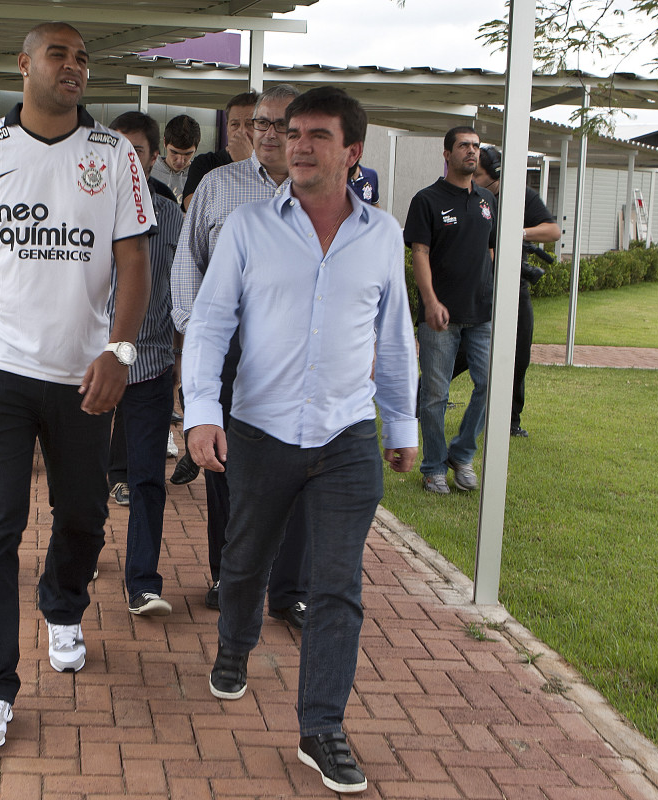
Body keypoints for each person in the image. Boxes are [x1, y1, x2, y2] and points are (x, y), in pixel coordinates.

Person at [0, 22, 153, 750]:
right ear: (23, 64)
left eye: (83, 57)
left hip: (82, 371)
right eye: (59, 54)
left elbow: (135, 261)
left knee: (83, 513)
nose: (74, 66)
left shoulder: (114, 155)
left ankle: (63, 605)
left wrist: (119, 350)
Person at [184, 86, 417, 795]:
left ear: (352, 152)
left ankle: (322, 728)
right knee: (246, 559)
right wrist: (200, 411)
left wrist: (401, 424)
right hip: (261, 429)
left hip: (346, 434)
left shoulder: (381, 235)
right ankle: (234, 645)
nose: (299, 144)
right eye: (292, 133)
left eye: (318, 134)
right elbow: (211, 321)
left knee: (336, 585)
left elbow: (394, 335)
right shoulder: (250, 229)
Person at [171, 84, 309, 626]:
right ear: (247, 129)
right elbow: (188, 268)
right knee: (223, 466)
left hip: (296, 357)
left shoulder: (321, 193)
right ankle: (228, 574)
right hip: (228, 353)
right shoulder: (217, 187)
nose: (270, 134)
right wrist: (198, 345)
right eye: (261, 124)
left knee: (300, 467)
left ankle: (289, 587)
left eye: (283, 124)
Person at [105, 110, 186, 617]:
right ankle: (82, 557)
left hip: (152, 363)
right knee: (85, 475)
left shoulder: (172, 216)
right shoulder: (88, 208)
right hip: (88, 364)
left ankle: (143, 583)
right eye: (120, 149)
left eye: (138, 151)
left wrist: (181, 358)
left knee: (148, 479)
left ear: (154, 158)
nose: (129, 159)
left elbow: (184, 289)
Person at [404, 126, 496, 495]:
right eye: (464, 146)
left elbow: (490, 249)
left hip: (482, 314)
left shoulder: (488, 200)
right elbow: (419, 254)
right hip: (440, 316)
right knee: (435, 395)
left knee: (490, 385)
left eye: (475, 147)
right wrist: (430, 302)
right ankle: (433, 467)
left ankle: (462, 454)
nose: (471, 152)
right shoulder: (427, 199)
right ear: (447, 154)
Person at [472, 144, 562, 437]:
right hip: (479, 284)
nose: (475, 179)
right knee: (464, 351)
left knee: (519, 355)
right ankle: (424, 399)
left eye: (480, 174)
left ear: (494, 174)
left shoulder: (521, 196)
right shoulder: (473, 198)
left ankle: (510, 420)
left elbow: (552, 230)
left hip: (514, 283)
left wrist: (519, 232)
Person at [181, 91, 257, 211]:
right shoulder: (205, 163)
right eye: (235, 124)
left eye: (249, 124)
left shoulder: (272, 168)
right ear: (227, 128)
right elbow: (192, 207)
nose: (241, 131)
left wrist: (246, 163)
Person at [151, 114, 200, 204]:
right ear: (165, 143)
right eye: (174, 152)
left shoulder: (201, 177)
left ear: (196, 148)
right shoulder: (147, 170)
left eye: (188, 154)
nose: (180, 160)